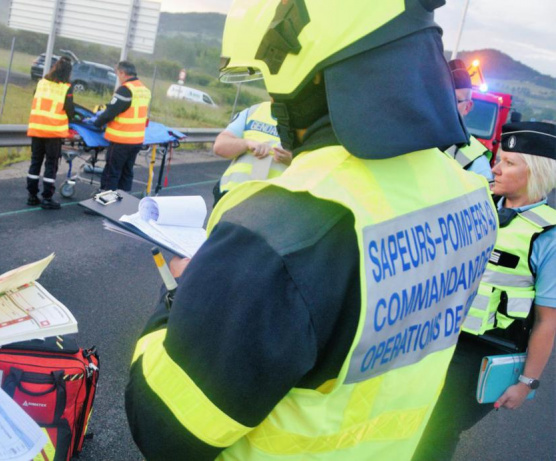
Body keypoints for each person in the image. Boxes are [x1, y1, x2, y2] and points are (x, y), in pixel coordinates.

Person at [125, 0, 498, 459]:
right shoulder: (468, 196)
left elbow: (164, 426)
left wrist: (182, 294)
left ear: (311, 79)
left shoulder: (282, 233)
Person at [416, 121, 556, 461]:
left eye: (509, 162)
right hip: (437, 338)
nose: (496, 167)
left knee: (437, 430)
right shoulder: (477, 205)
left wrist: (527, 382)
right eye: (498, 158)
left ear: (535, 172)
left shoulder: (547, 235)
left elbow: (547, 320)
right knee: (408, 422)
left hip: (482, 353)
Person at [212, 101, 292, 205]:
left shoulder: (307, 123)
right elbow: (219, 146)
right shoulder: (253, 112)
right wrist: (246, 144)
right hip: (231, 195)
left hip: (272, 203)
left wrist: (293, 159)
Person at [90, 61, 151, 192]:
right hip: (136, 140)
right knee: (126, 173)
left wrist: (96, 124)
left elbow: (110, 112)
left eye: (118, 74)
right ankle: (122, 203)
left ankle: (104, 204)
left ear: (123, 73)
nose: (118, 77)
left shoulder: (126, 89)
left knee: (111, 172)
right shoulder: (143, 89)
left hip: (121, 140)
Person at [26, 56, 77, 210]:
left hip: (37, 128)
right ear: (68, 73)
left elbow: (36, 99)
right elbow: (70, 110)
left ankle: (32, 196)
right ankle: (47, 198)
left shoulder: (41, 83)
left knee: (35, 162)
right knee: (51, 164)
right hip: (53, 132)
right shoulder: (66, 87)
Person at [444, 59, 494, 181]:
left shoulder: (476, 162)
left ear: (468, 107)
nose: (446, 105)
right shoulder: (412, 136)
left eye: (456, 101)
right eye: (443, 98)